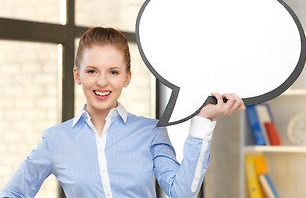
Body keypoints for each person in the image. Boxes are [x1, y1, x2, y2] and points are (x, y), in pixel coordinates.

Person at [0, 27, 245, 198]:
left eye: (114, 72)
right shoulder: (56, 140)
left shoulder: (151, 131)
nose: (102, 82)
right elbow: (12, 193)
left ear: (127, 78)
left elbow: (182, 192)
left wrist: (203, 121)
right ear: (77, 75)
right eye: (92, 71)